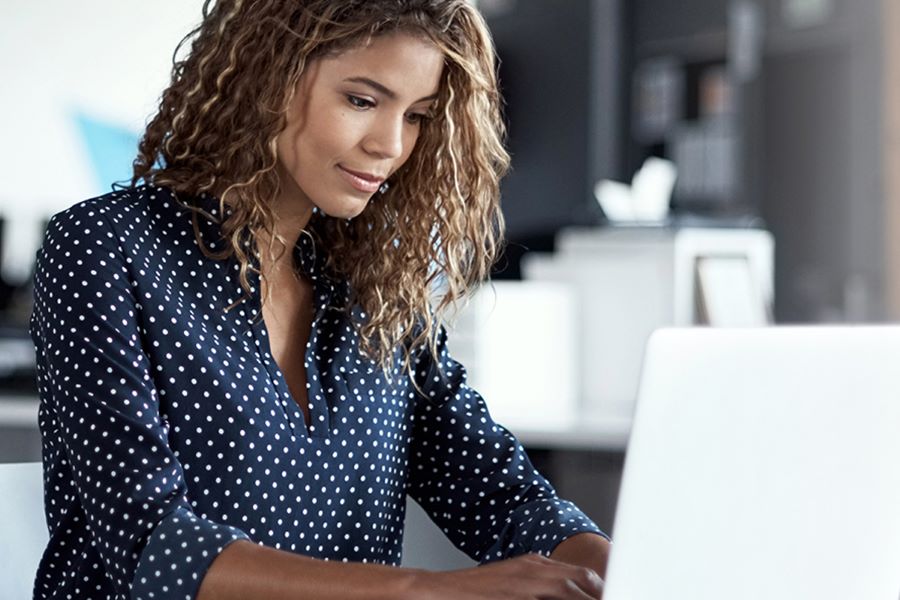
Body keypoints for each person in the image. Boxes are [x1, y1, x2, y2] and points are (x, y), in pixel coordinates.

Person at [28, 1, 612, 598]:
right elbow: (151, 544)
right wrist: (431, 590)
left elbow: (498, 492)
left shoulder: (372, 285)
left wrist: (623, 568)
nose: (390, 144)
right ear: (266, 78)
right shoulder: (103, 248)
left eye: (416, 116)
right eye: (362, 100)